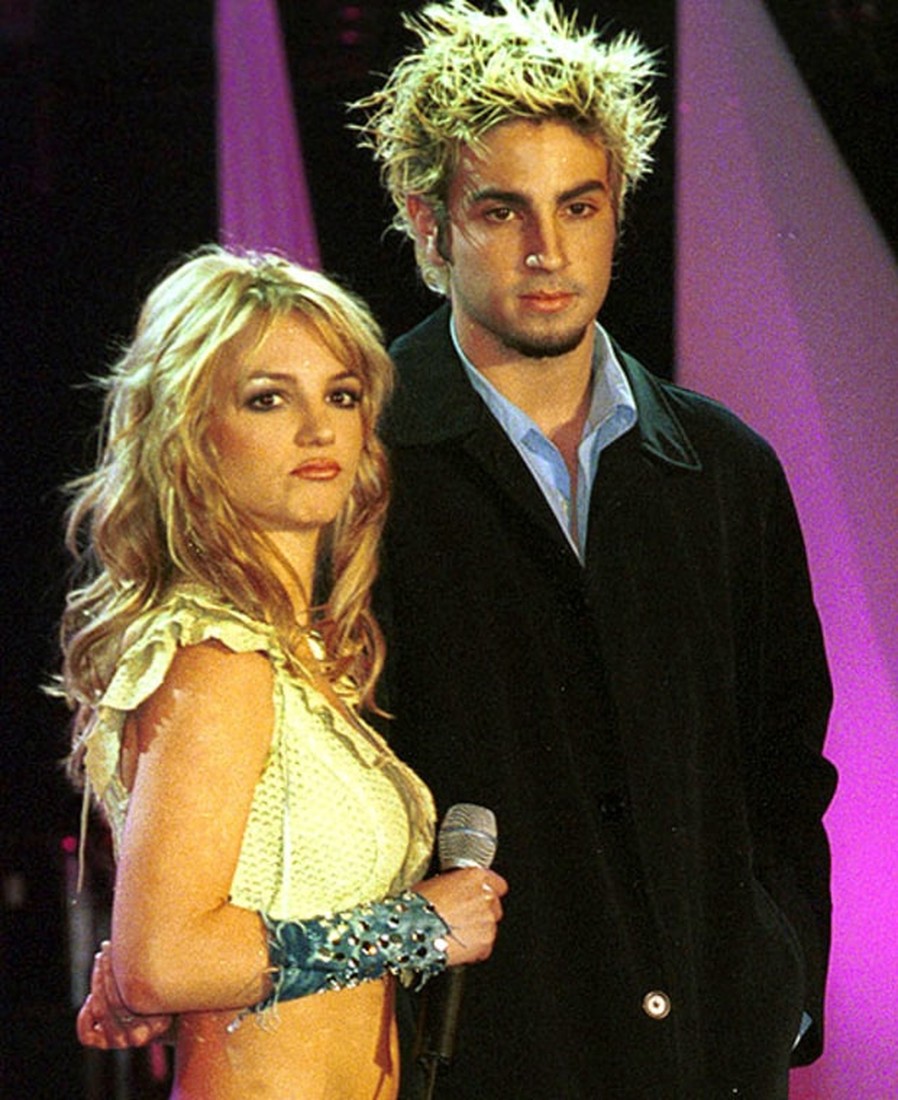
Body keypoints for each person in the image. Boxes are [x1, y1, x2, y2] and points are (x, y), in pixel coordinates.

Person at [81, 2, 838, 1096]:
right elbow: (236, 743)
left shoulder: (726, 469)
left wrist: (784, 992)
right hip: (471, 1058)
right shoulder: (351, 463)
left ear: (617, 216)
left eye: (579, 206)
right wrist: (161, 949)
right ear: (429, 226)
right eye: (500, 210)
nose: (547, 250)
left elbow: (786, 764)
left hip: (711, 1060)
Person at [57, 244, 506, 1099]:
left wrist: (171, 988)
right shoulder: (219, 659)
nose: (318, 429)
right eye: (269, 398)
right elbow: (163, 960)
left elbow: (183, 956)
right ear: (191, 433)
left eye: (341, 395)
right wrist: (415, 927)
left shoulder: (298, 656)